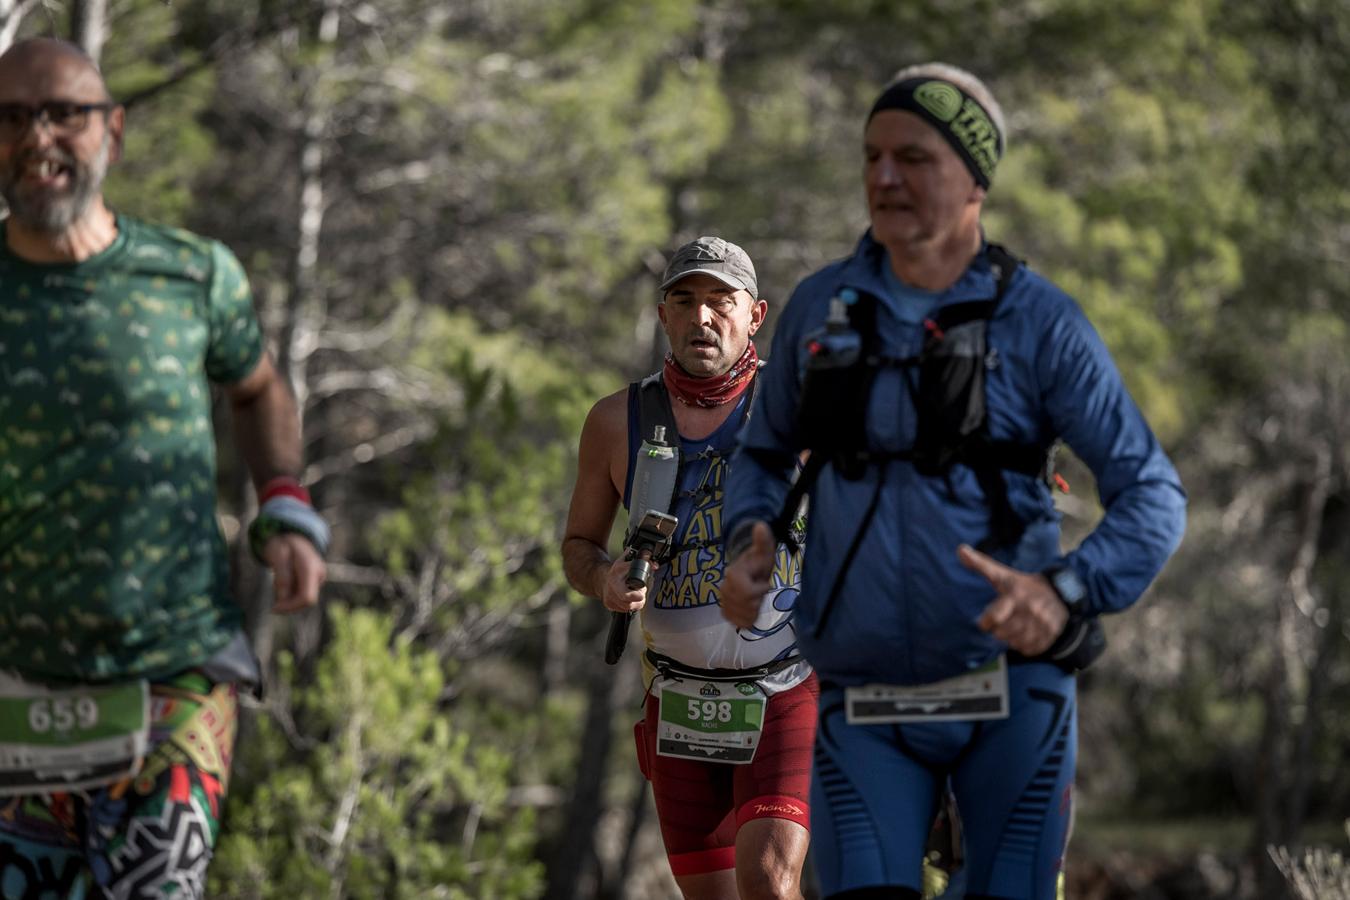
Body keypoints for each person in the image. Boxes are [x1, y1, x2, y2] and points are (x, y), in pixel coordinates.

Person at [720, 62, 1186, 900]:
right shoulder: (821, 308)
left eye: (913, 157)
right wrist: (746, 535)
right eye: (870, 156)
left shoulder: (1041, 322)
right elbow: (762, 453)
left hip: (1010, 693)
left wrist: (1067, 588)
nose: (884, 177)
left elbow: (1154, 494)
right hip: (863, 703)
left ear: (976, 179)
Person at [0, 38, 328, 898]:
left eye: (63, 113)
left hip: (173, 678)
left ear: (113, 130)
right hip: (13, 687)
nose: (38, 137)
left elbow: (258, 390)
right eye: (11, 118)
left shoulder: (191, 274)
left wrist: (286, 506)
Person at [562, 236, 817, 900]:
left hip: (786, 687)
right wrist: (603, 581)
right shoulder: (616, 421)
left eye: (719, 301)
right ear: (663, 315)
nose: (702, 318)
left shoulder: (802, 409)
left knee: (767, 880)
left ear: (755, 315)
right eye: (685, 300)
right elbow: (580, 545)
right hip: (678, 700)